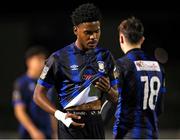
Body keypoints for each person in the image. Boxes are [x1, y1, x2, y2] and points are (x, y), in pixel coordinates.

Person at [33, 3, 119, 139]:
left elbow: (116, 98)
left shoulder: (105, 56)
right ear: (75, 30)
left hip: (96, 123)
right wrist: (61, 116)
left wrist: (108, 90)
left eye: (97, 31)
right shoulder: (58, 58)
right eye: (88, 32)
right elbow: (38, 95)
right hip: (70, 122)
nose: (93, 37)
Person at [113, 16, 166, 139]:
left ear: (121, 38)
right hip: (151, 134)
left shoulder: (122, 65)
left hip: (128, 134)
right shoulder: (159, 67)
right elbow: (160, 108)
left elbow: (113, 101)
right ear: (142, 39)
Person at [12, 46, 57, 139]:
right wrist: (33, 131)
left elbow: (51, 110)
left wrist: (55, 132)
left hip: (47, 134)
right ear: (29, 62)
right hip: (29, 135)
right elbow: (19, 110)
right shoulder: (22, 83)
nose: (42, 63)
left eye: (44, 60)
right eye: (38, 59)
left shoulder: (48, 84)